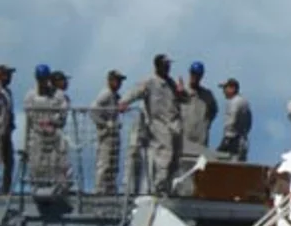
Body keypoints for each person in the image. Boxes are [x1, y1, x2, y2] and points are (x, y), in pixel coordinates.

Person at [119, 54, 184, 195]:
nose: (168, 68)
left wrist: (181, 92)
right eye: (165, 65)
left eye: (168, 65)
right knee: (164, 153)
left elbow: (181, 99)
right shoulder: (150, 81)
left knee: (175, 157)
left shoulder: (171, 83)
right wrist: (124, 102)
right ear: (158, 66)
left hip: (173, 123)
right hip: (158, 122)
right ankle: (159, 187)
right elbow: (135, 92)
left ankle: (169, 187)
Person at [24, 64, 68, 192]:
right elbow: (29, 118)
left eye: (44, 79)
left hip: (53, 136)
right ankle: (37, 188)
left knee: (55, 164)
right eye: (40, 79)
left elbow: (63, 113)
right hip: (37, 136)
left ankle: (56, 189)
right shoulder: (30, 96)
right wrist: (26, 145)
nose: (42, 82)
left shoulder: (58, 95)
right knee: (36, 165)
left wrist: (52, 121)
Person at [89, 70, 126, 195]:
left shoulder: (114, 95)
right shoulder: (106, 94)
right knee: (104, 163)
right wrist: (104, 124)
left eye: (120, 81)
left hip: (114, 133)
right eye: (117, 80)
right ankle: (99, 190)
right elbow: (93, 111)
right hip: (106, 135)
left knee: (113, 164)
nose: (119, 83)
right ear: (110, 80)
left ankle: (110, 189)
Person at [178, 61, 217, 160]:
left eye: (198, 74)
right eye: (193, 73)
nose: (195, 77)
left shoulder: (207, 94)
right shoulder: (182, 91)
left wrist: (206, 124)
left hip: (200, 138)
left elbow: (214, 110)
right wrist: (178, 94)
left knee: (200, 164)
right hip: (184, 136)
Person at [216, 78, 252, 161]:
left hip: (233, 142)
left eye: (225, 88)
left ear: (233, 88)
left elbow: (231, 121)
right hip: (243, 141)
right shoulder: (245, 102)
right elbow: (249, 123)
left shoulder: (234, 102)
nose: (223, 91)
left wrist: (226, 140)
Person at [0, 65, 14, 194]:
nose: (9, 77)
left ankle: (5, 189)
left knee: (9, 161)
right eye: (6, 74)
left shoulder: (7, 92)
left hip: (6, 132)